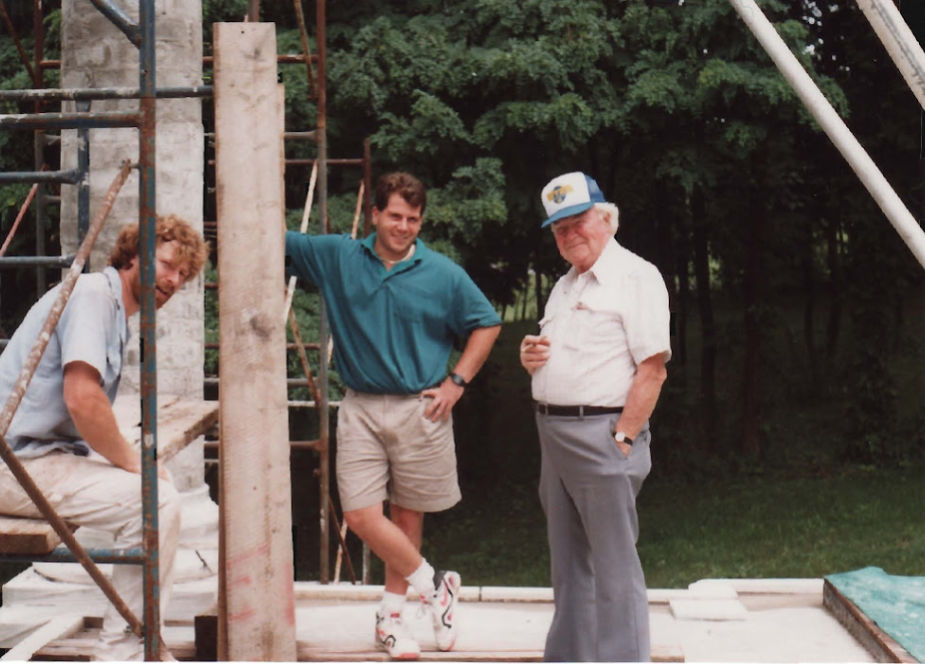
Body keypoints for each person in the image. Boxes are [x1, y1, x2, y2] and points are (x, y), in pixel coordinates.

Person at [285, 172, 501, 660]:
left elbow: (486, 323)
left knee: (407, 515)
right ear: (374, 215)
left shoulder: (442, 273)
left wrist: (457, 382)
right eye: (395, 216)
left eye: (413, 219)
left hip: (420, 407)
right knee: (362, 515)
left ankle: (392, 619)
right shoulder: (339, 256)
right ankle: (436, 587)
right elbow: (269, 241)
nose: (404, 227)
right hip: (360, 404)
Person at [0, 215, 209, 661]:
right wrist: (136, 462)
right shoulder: (95, 295)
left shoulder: (112, 308)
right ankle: (124, 651)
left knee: (156, 489)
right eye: (167, 263)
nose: (172, 280)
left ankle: (138, 641)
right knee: (155, 499)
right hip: (14, 464)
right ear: (134, 254)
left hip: (33, 458)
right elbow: (82, 400)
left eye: (182, 274)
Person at [519, 172, 670, 662]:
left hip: (602, 435)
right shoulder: (565, 285)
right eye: (559, 228)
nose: (569, 235)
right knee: (569, 566)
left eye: (578, 222)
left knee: (613, 568)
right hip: (553, 437)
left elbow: (653, 368)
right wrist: (531, 359)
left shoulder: (635, 276)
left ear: (605, 219)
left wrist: (623, 437)